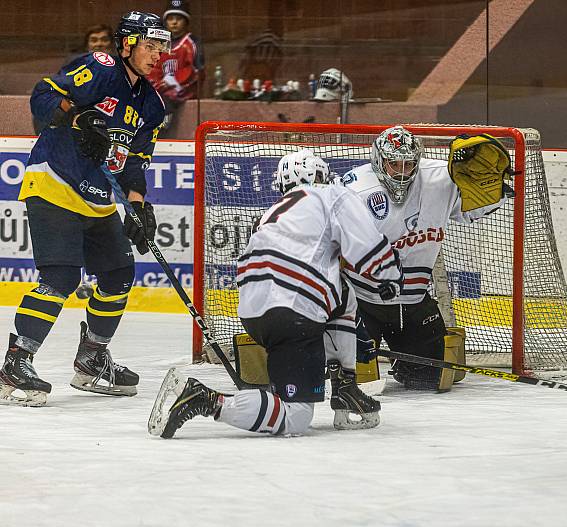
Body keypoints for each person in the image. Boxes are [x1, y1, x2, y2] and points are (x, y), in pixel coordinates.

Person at [153, 149, 404, 438]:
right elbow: (366, 243)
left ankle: (344, 386)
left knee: (343, 295)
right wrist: (390, 276)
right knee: (296, 418)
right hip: (296, 309)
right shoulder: (331, 195)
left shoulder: (273, 214)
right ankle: (206, 399)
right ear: (320, 175)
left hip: (254, 314)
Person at [0, 11, 168, 407]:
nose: (158, 54)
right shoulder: (101, 68)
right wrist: (76, 115)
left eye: (162, 47)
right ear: (126, 44)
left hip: (96, 196)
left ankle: (92, 360)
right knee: (60, 275)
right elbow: (42, 96)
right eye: (150, 45)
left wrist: (139, 207)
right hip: (55, 179)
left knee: (119, 273)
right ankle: (15, 362)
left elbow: (134, 161)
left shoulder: (152, 105)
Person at [340, 126, 513, 390]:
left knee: (431, 380)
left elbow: (469, 211)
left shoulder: (440, 179)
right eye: (393, 163)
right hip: (363, 302)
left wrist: (494, 192)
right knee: (353, 377)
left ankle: (406, 363)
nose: (401, 171)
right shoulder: (356, 189)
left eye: (408, 164)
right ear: (378, 160)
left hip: (414, 300)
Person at [146, 0, 204, 136]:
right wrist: (158, 84)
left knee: (165, 122)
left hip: (182, 93)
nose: (174, 22)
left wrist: (175, 84)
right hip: (161, 92)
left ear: (186, 21)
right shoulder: (160, 44)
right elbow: (153, 70)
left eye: (179, 18)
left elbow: (196, 71)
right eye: (171, 18)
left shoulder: (192, 43)